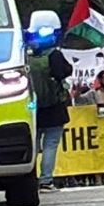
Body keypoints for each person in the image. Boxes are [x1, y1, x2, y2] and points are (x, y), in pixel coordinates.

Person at [28, 31, 74, 194]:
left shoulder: (26, 57)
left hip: (32, 109)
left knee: (32, 145)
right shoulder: (54, 55)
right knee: (50, 145)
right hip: (54, 108)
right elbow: (66, 71)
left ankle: (28, 179)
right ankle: (46, 181)